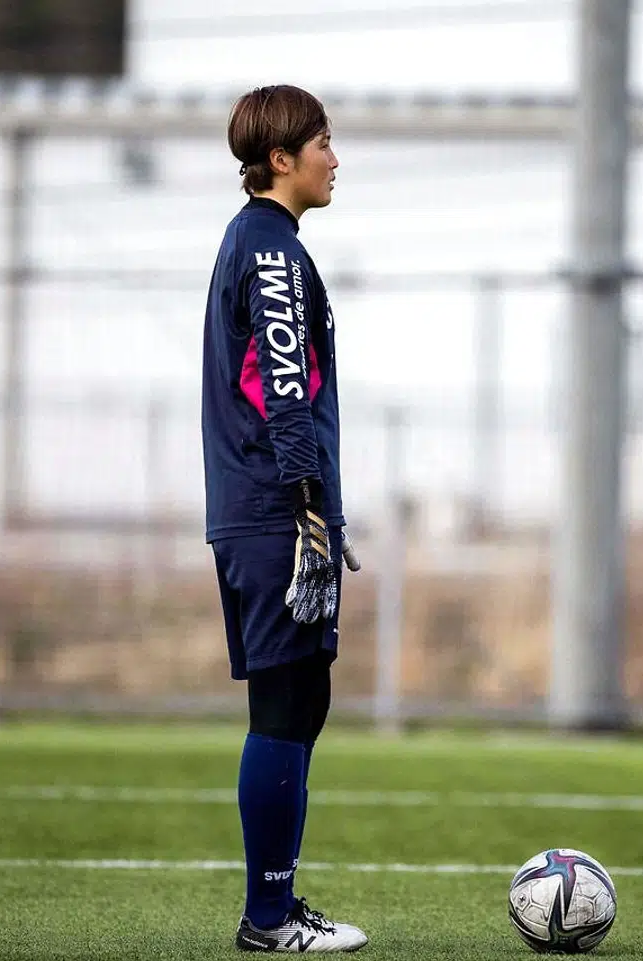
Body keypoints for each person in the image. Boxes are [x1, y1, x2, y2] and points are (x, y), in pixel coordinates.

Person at [201, 84, 368, 953]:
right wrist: (307, 506)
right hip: (275, 512)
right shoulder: (271, 250)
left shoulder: (267, 243)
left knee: (304, 698)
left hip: (274, 509)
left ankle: (279, 904)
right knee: (282, 700)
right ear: (281, 159)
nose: (335, 160)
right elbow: (282, 382)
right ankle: (267, 918)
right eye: (324, 144)